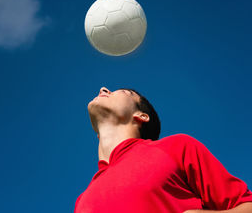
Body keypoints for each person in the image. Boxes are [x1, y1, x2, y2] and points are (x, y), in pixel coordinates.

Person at [74, 87, 252, 213]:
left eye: (120, 92)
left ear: (141, 116)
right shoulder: (81, 202)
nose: (103, 89)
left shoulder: (177, 148)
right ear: (97, 134)